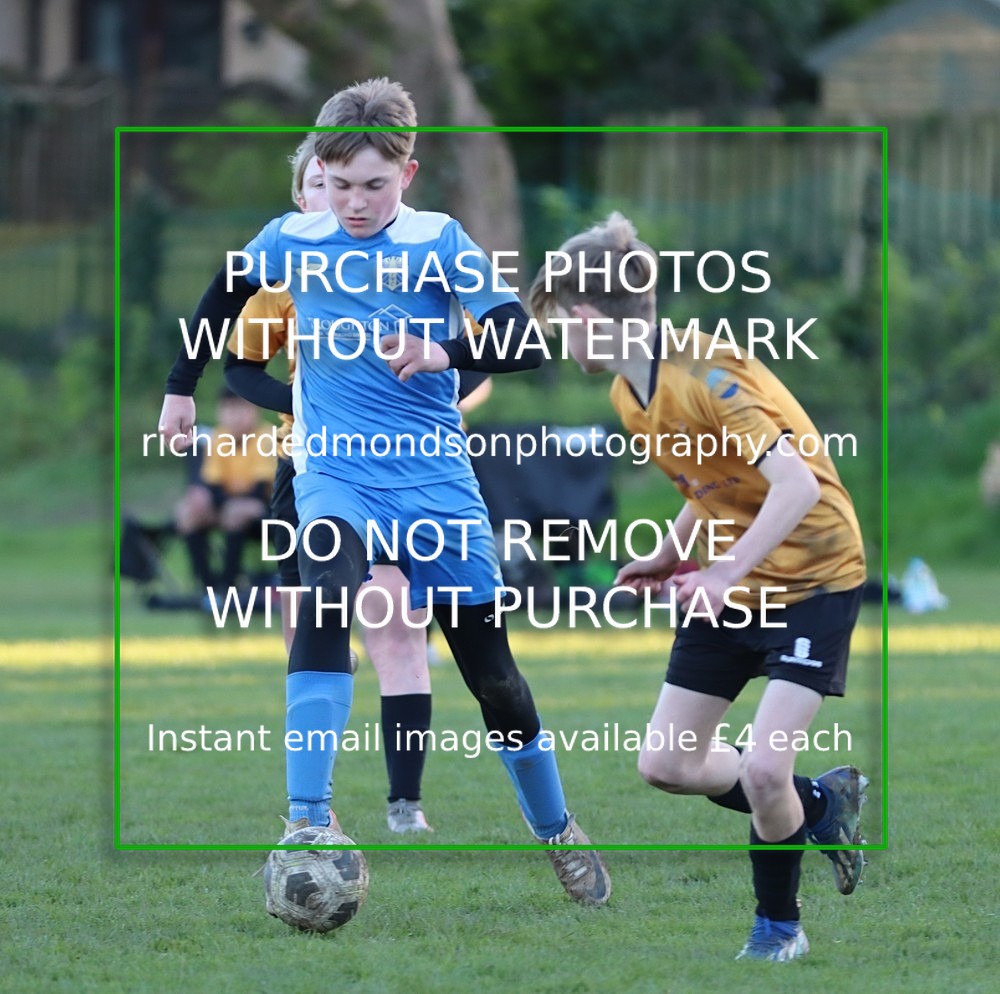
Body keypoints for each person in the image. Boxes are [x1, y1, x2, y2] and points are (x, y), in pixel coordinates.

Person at [158, 78, 610, 906]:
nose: (353, 202)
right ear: (316, 176)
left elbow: (521, 341)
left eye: (371, 184)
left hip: (435, 483)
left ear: (407, 172)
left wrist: (439, 350)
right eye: (336, 185)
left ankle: (558, 830)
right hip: (335, 468)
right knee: (326, 598)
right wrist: (181, 387)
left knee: (493, 675)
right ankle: (307, 819)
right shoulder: (291, 237)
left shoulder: (441, 241)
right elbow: (222, 295)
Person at [529, 212, 869, 956]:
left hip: (813, 583)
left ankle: (779, 929)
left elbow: (795, 486)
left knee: (765, 768)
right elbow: (710, 484)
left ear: (586, 314)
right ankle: (823, 801)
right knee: (668, 764)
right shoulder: (630, 391)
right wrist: (668, 554)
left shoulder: (709, 376)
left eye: (560, 323)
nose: (560, 338)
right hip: (730, 586)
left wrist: (721, 570)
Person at [222, 135, 473, 833]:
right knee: (308, 628)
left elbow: (489, 340)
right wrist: (300, 401)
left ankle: (404, 803)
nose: (334, 200)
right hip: (304, 471)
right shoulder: (279, 281)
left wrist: (442, 387)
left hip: (402, 469)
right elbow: (238, 367)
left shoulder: (414, 260)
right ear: (303, 201)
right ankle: (314, 807)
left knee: (395, 630)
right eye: (319, 187)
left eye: (358, 186)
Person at [173, 386, 273, 592]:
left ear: (255, 410)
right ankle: (207, 587)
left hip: (266, 508)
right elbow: (213, 483)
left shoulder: (267, 435)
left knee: (235, 512)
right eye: (229, 410)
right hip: (228, 503)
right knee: (188, 512)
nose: (234, 417)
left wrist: (229, 503)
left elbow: (260, 488)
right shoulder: (219, 437)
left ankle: (229, 586)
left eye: (241, 409)